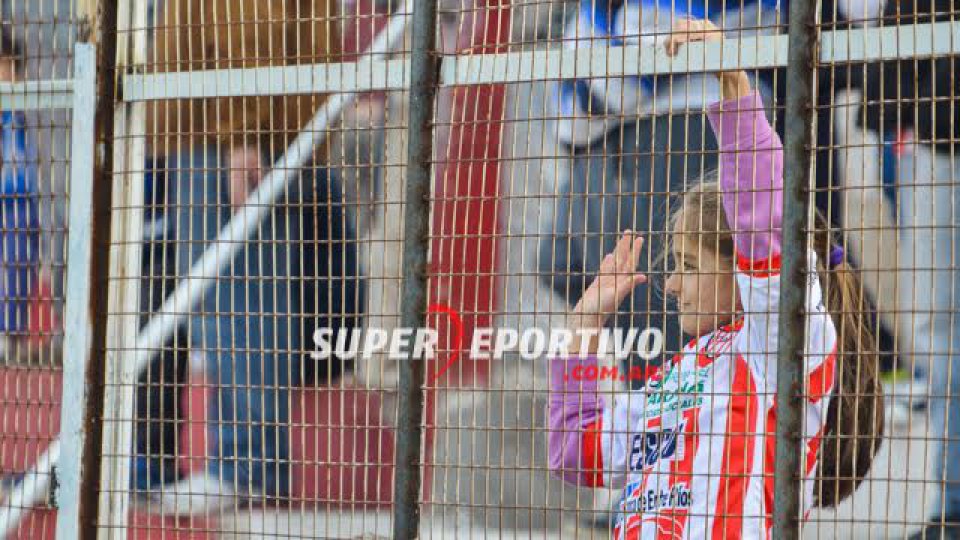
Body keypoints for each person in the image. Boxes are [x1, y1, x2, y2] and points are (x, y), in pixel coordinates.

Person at [547, 19, 883, 537]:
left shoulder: (780, 349)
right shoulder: (672, 379)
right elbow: (575, 450)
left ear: (741, 268)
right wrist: (586, 323)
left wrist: (733, 81)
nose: (672, 285)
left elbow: (760, 218)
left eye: (687, 265)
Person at [144, 0, 364, 515]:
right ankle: (244, 462)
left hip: (226, 127)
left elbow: (248, 16)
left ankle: (245, 464)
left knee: (236, 299)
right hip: (234, 122)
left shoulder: (234, 129)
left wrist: (241, 130)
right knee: (233, 298)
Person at [0, 27, 39, 361]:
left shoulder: (21, 112)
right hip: (6, 202)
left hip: (22, 203)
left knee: (18, 267)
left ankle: (11, 333)